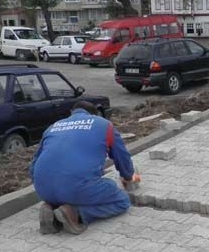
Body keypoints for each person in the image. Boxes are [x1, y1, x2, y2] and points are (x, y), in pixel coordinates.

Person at [31, 101, 138, 235]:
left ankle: (50, 208)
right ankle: (74, 213)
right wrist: (128, 177)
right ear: (96, 115)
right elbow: (122, 156)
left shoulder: (53, 127)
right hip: (75, 187)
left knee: (68, 191)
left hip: (42, 189)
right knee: (122, 200)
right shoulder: (104, 125)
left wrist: (41, 184)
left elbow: (35, 162)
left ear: (71, 113)